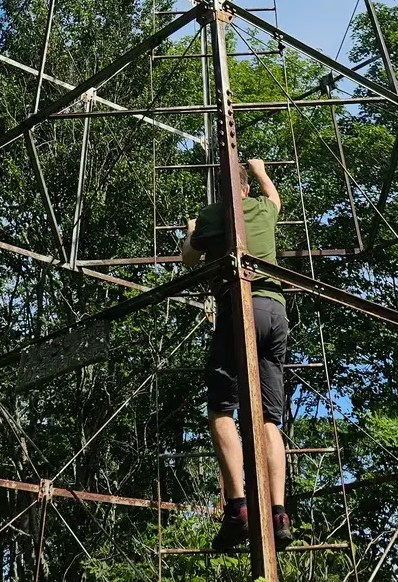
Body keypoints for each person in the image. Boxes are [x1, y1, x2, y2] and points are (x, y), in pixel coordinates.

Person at [181, 157, 292, 553]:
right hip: (274, 311)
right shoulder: (263, 208)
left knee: (222, 410)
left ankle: (238, 508)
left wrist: (192, 232)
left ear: (220, 191)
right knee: (268, 417)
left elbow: (188, 261)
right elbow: (275, 197)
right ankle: (279, 512)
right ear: (245, 189)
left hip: (237, 309)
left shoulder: (211, 215)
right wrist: (260, 170)